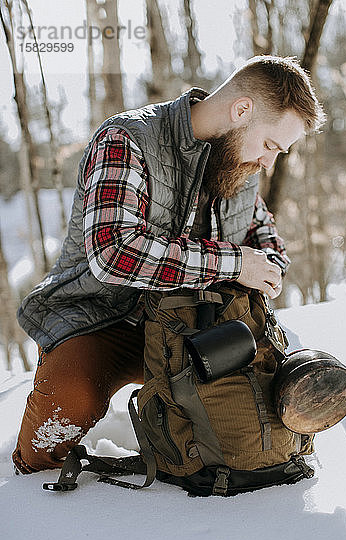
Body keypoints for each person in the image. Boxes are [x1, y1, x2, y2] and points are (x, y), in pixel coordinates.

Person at [12, 55, 325, 474]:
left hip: (189, 327)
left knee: (252, 414)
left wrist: (269, 266)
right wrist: (234, 264)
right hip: (99, 318)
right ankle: (32, 498)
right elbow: (114, 253)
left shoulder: (241, 164)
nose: (269, 163)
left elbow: (263, 235)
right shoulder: (128, 139)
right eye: (270, 145)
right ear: (242, 110)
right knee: (64, 413)